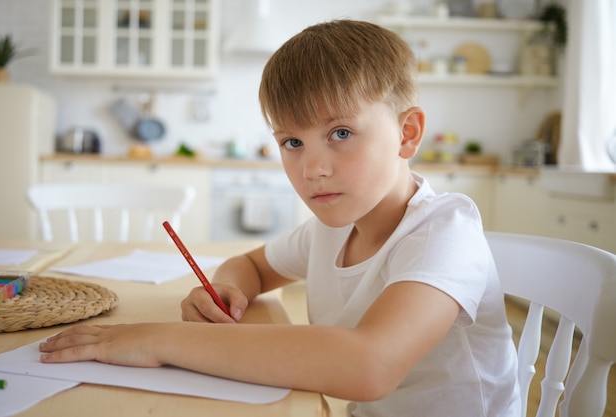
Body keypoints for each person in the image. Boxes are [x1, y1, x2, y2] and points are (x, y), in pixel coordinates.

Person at [39, 20, 520, 416]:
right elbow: (250, 264)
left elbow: (369, 366)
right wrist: (230, 290)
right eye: (292, 142)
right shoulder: (331, 230)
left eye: (341, 132)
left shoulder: (444, 231)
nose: (313, 168)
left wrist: (161, 340)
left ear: (407, 133)